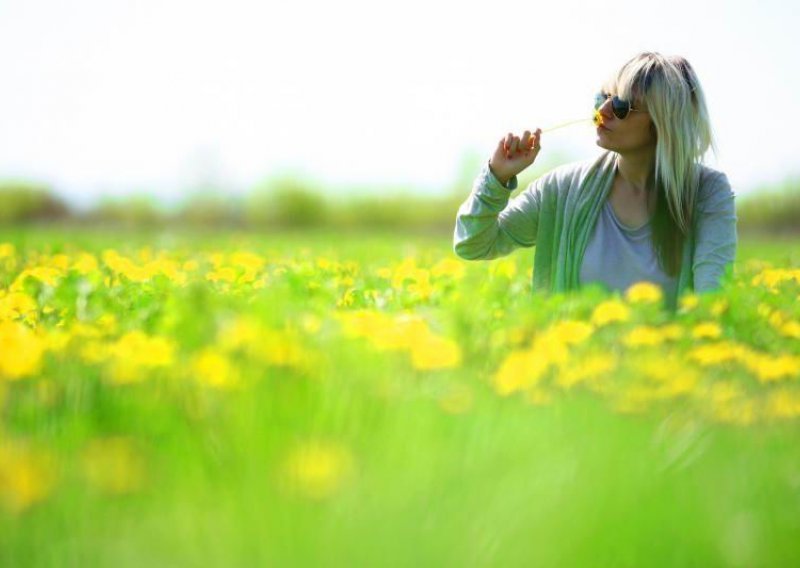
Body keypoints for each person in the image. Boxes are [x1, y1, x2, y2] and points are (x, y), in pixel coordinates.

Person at [453, 51, 737, 313]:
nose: (604, 112)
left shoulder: (707, 194)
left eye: (623, 105)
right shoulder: (562, 189)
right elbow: (473, 245)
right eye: (602, 98)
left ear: (664, 122)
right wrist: (496, 177)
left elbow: (710, 306)